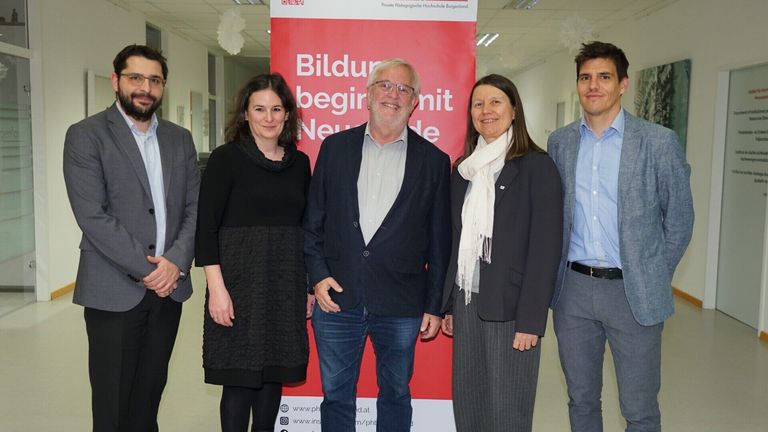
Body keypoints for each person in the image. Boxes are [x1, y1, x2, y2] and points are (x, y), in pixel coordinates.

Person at [547, 41, 694, 432]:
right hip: (573, 291)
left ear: (624, 83)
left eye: (604, 77)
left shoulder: (658, 142)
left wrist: (653, 274)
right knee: (581, 399)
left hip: (633, 293)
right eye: (585, 77)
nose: (593, 85)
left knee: (640, 408)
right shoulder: (560, 143)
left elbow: (679, 218)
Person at [303, 58, 451, 432]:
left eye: (404, 89)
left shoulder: (434, 162)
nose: (393, 94)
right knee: (336, 395)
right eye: (385, 85)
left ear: (415, 102)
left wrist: (434, 304)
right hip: (336, 297)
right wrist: (317, 278)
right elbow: (313, 222)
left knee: (397, 394)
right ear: (368, 95)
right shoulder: (334, 148)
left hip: (402, 303)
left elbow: (440, 242)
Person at [63, 44, 199, 432]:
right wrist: (149, 269)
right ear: (116, 81)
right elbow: (92, 215)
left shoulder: (179, 139)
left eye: (154, 80)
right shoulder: (87, 136)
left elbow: (194, 207)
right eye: (136, 78)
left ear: (163, 87)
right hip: (113, 292)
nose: (145, 87)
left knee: (149, 395)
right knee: (113, 403)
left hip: (168, 290)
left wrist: (175, 262)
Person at [440, 74, 563, 432]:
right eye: (478, 104)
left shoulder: (537, 167)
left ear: (513, 111)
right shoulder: (463, 170)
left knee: (508, 411)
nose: (486, 110)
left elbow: (545, 249)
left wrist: (531, 321)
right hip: (467, 303)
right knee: (469, 404)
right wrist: (449, 304)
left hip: (511, 308)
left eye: (496, 102)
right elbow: (455, 241)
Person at [195, 73, 311, 432]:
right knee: (239, 379)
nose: (269, 117)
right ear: (245, 114)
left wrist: (307, 286)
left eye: (277, 109)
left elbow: (306, 229)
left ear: (288, 114)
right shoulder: (225, 159)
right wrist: (217, 289)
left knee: (273, 373)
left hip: (283, 285)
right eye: (259, 108)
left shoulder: (300, 163)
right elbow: (206, 229)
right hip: (238, 286)